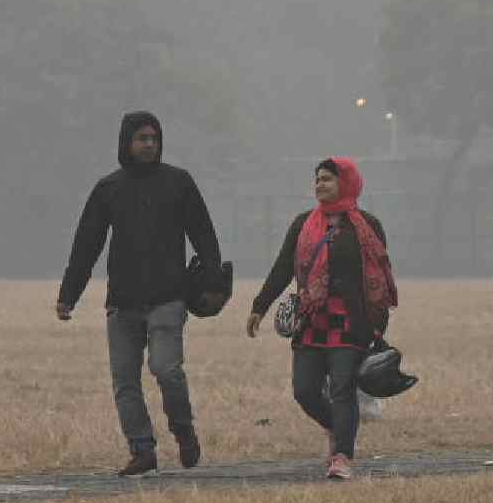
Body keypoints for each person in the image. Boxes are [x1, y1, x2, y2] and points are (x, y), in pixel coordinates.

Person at [56, 111, 225, 477]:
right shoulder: (108, 189)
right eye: (142, 138)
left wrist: (213, 284)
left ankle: (183, 429)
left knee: (166, 370)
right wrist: (69, 294)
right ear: (126, 143)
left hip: (168, 298)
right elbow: (87, 244)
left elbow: (204, 235)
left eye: (154, 138)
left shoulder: (179, 183)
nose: (149, 144)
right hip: (123, 303)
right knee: (125, 381)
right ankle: (142, 449)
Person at [245, 157, 397, 480]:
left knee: (342, 388)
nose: (319, 185)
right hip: (311, 321)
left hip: (351, 324)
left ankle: (342, 455)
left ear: (346, 182)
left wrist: (377, 325)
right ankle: (336, 426)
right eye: (317, 179)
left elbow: (379, 277)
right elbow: (284, 266)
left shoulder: (367, 226)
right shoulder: (303, 224)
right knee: (305, 390)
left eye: (327, 179)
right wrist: (260, 305)